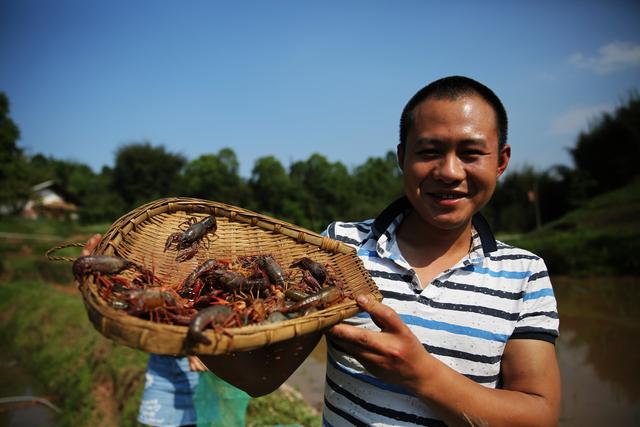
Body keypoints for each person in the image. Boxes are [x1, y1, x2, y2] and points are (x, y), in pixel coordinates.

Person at [202, 75, 561, 426]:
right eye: (429, 152)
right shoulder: (341, 248)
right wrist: (189, 334)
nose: (450, 171)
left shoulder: (525, 274)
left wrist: (421, 375)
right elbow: (262, 377)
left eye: (470, 153)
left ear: (501, 161)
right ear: (403, 157)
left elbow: (538, 415)